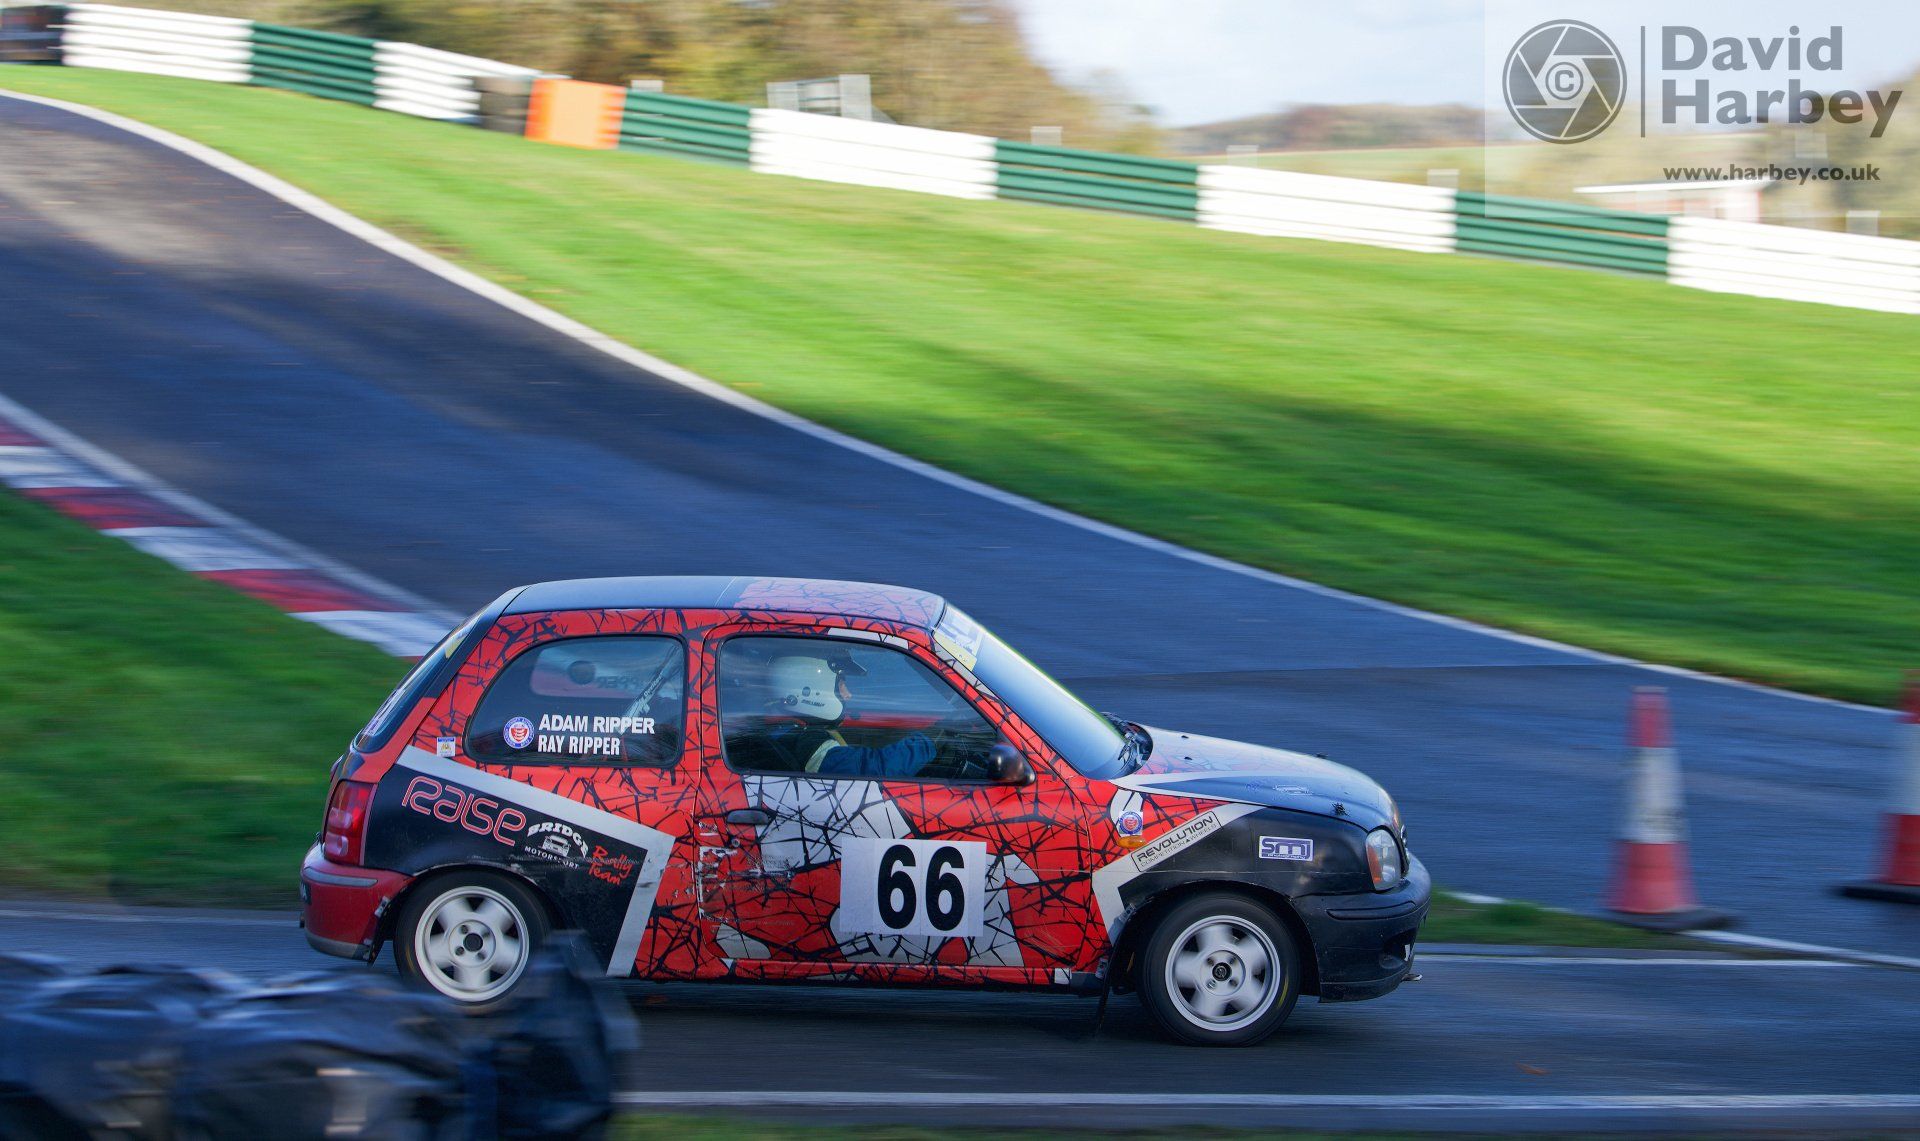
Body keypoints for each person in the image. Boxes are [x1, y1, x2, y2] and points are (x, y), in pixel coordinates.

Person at [762, 651, 935, 777]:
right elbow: (875, 769)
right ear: (809, 690)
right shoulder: (806, 743)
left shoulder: (786, 731)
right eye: (841, 685)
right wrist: (931, 741)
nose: (847, 694)